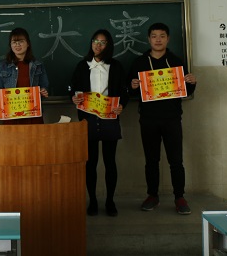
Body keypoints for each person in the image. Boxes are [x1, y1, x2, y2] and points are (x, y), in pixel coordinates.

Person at [127, 22, 197, 215]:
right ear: (148, 39)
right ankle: (152, 196)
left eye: (162, 36)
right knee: (151, 160)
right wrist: (132, 86)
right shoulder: (139, 63)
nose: (158, 40)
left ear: (168, 39)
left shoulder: (176, 61)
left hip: (172, 118)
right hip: (148, 119)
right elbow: (131, 92)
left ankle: (179, 197)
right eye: (154, 36)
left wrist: (192, 82)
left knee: (176, 161)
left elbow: (186, 91)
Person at [70, 29, 128, 217]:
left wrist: (122, 105)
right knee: (91, 163)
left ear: (108, 45)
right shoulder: (82, 65)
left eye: (103, 42)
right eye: (95, 41)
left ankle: (110, 200)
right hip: (88, 118)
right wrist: (74, 98)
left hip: (109, 117)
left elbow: (124, 91)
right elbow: (72, 88)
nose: (98, 45)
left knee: (110, 162)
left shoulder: (116, 66)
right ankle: (93, 200)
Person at [0, 27, 49, 124]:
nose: (17, 45)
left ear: (28, 44)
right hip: (11, 115)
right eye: (14, 42)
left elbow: (44, 86)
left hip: (33, 115)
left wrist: (43, 91)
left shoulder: (38, 65)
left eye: (21, 41)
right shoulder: (2, 66)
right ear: (10, 45)